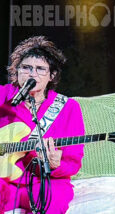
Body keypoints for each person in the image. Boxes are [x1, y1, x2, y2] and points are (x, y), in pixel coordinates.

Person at [0, 36, 85, 213]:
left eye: (40, 69)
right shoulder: (4, 96)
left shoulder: (68, 108)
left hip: (44, 182)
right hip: (4, 182)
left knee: (51, 199)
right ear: (16, 71)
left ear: (51, 75)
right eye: (26, 68)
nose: (32, 74)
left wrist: (56, 165)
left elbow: (73, 162)